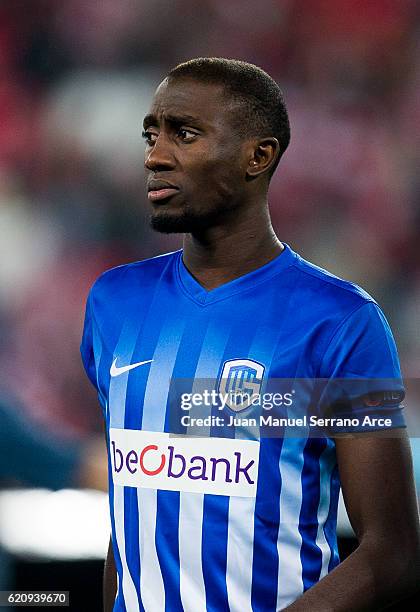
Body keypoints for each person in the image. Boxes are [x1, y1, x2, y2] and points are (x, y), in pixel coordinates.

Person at [80, 58, 420, 611]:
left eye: (184, 134)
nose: (155, 155)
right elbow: (133, 515)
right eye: (151, 133)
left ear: (257, 156)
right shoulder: (114, 304)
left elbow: (391, 551)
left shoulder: (338, 323)